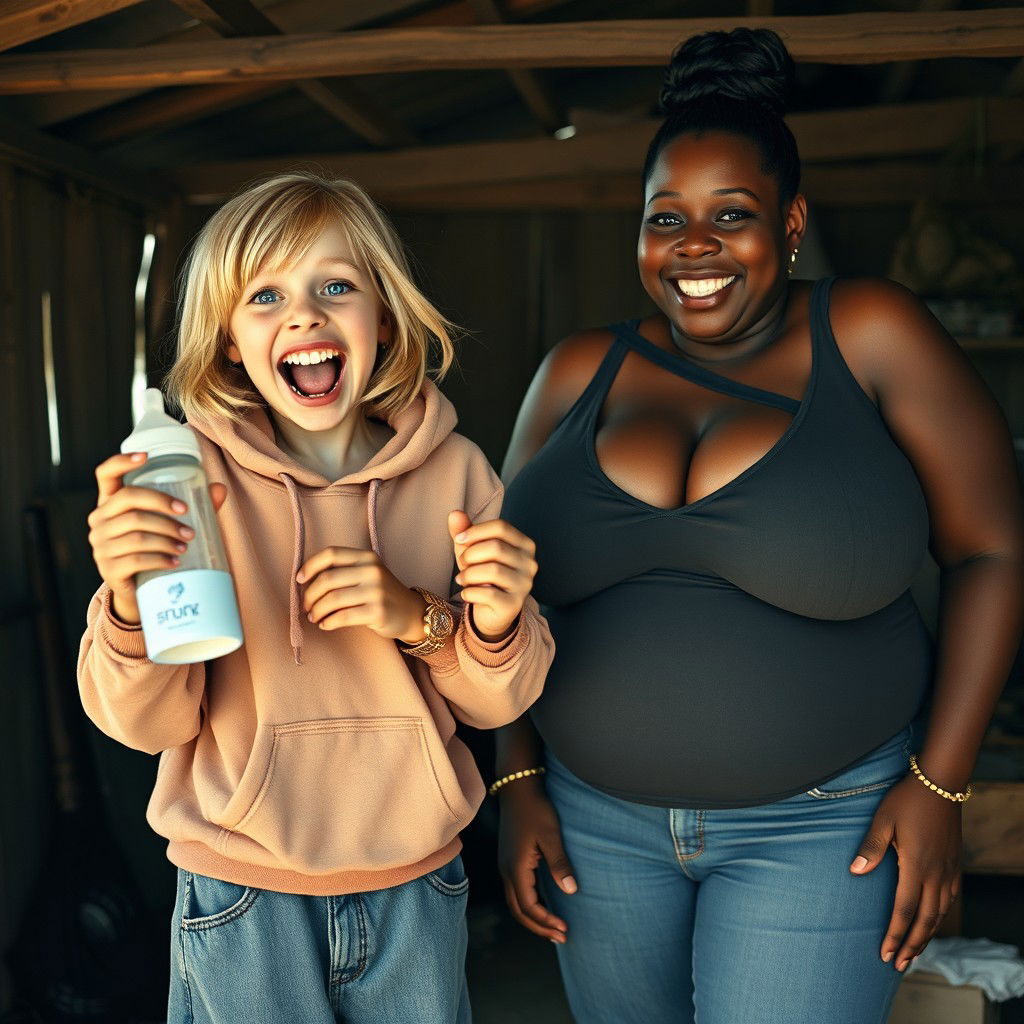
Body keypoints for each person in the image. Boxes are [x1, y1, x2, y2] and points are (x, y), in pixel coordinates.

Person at [496, 27, 1024, 1024]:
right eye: (666, 218)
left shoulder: (868, 332)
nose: (693, 247)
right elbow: (496, 587)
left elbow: (991, 549)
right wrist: (515, 778)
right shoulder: (577, 370)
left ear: (789, 224)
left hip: (823, 827)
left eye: (730, 215)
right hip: (592, 823)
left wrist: (941, 783)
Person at [78, 171, 553, 1024]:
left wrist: (429, 618)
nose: (304, 316)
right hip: (242, 886)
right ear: (227, 339)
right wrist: (124, 598)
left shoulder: (458, 473)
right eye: (265, 295)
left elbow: (501, 700)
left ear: (383, 315)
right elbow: (147, 726)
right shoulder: (184, 479)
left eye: (336, 286)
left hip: (417, 881)